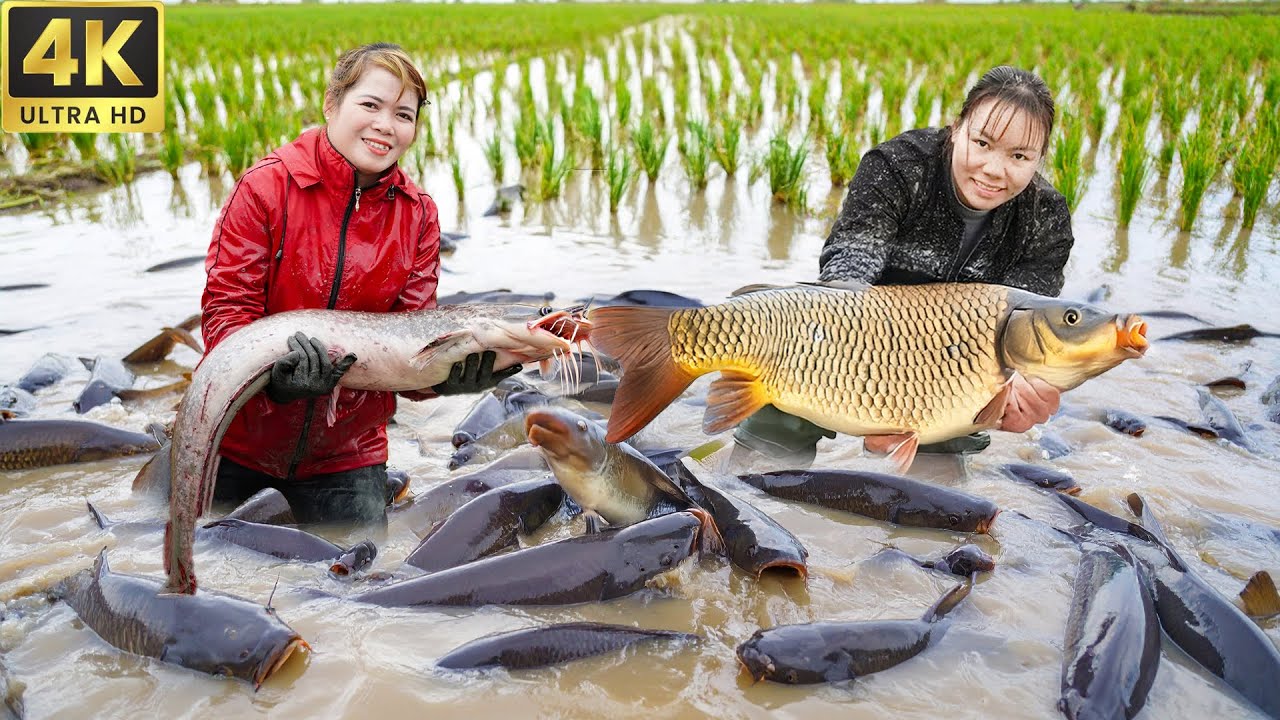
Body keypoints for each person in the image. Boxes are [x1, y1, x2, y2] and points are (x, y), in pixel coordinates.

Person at [201, 43, 517, 524]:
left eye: (404, 114)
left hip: (347, 455)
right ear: (332, 103)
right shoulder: (265, 188)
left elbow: (409, 348)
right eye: (370, 105)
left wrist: (449, 376)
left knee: (354, 583)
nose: (386, 125)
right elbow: (225, 315)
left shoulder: (418, 215)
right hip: (239, 440)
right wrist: (276, 384)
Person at [733, 66, 1072, 467]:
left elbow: (1025, 337)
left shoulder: (1045, 218)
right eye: (981, 143)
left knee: (935, 506)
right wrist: (875, 381)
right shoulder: (898, 166)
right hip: (852, 335)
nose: (995, 170)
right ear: (957, 128)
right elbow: (849, 267)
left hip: (952, 373)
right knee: (784, 402)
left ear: (1040, 157)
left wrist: (1017, 396)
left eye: (1019, 156)